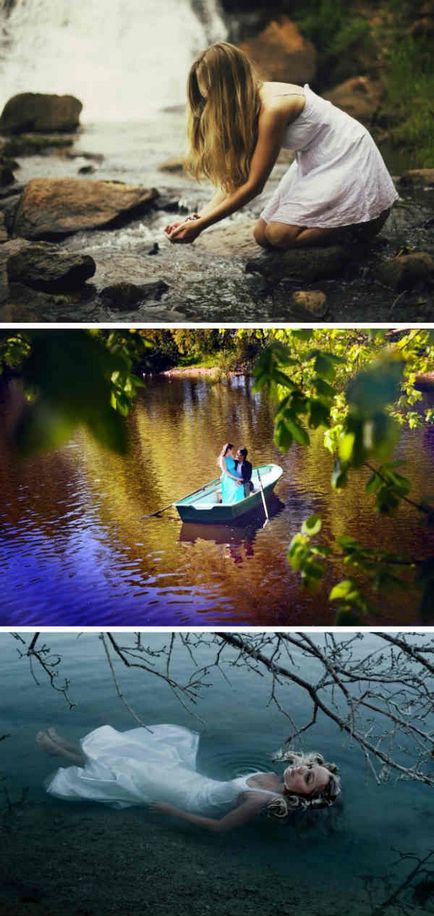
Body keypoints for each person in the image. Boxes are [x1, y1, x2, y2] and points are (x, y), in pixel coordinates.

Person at [165, 42, 398, 250]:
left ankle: (359, 226)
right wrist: (195, 219)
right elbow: (235, 181)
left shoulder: (272, 109)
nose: (209, 103)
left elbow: (254, 185)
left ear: (227, 88)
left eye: (212, 94)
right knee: (261, 235)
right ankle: (348, 220)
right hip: (314, 158)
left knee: (279, 235)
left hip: (346, 153)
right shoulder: (247, 106)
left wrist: (202, 226)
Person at [36, 725, 341, 833]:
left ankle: (62, 752)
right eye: (308, 766)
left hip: (184, 797)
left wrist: (175, 812)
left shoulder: (262, 799)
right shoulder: (276, 778)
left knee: (127, 769)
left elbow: (221, 828)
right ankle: (66, 749)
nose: (301, 769)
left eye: (308, 776)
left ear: (303, 795)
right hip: (191, 781)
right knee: (133, 760)